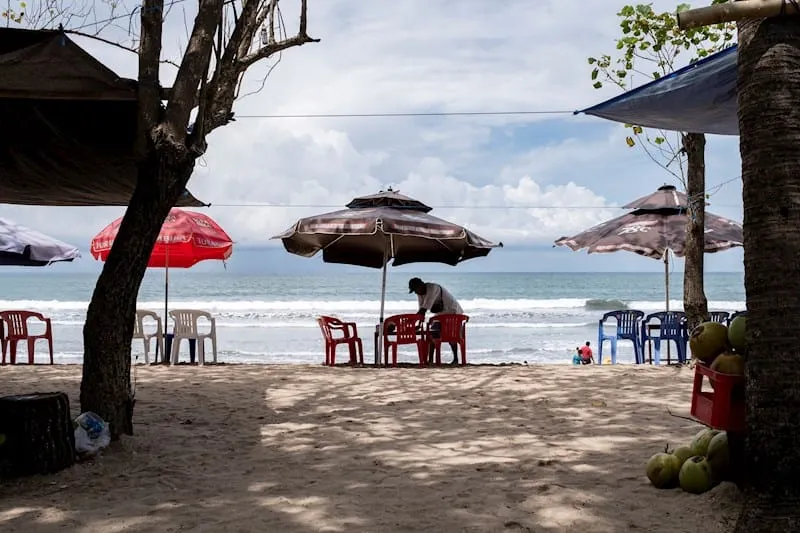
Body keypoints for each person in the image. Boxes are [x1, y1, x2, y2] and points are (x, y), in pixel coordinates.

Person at [408, 277, 463, 365]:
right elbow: (421, 311)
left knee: (451, 336)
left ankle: (455, 359)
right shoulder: (420, 293)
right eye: (414, 291)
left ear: (421, 285)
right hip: (440, 315)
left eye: (416, 289)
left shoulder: (432, 288)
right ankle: (430, 360)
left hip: (453, 312)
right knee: (431, 334)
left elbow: (423, 310)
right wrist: (418, 323)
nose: (415, 292)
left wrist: (410, 323)